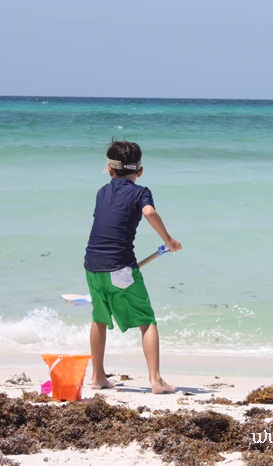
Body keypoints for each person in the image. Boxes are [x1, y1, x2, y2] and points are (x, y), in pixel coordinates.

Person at [84, 140, 182, 394]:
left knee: (99, 318)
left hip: (92, 265)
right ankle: (156, 381)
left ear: (109, 169)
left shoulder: (102, 192)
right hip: (120, 267)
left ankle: (97, 377)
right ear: (140, 171)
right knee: (147, 321)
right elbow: (148, 212)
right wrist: (168, 241)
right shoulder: (140, 192)